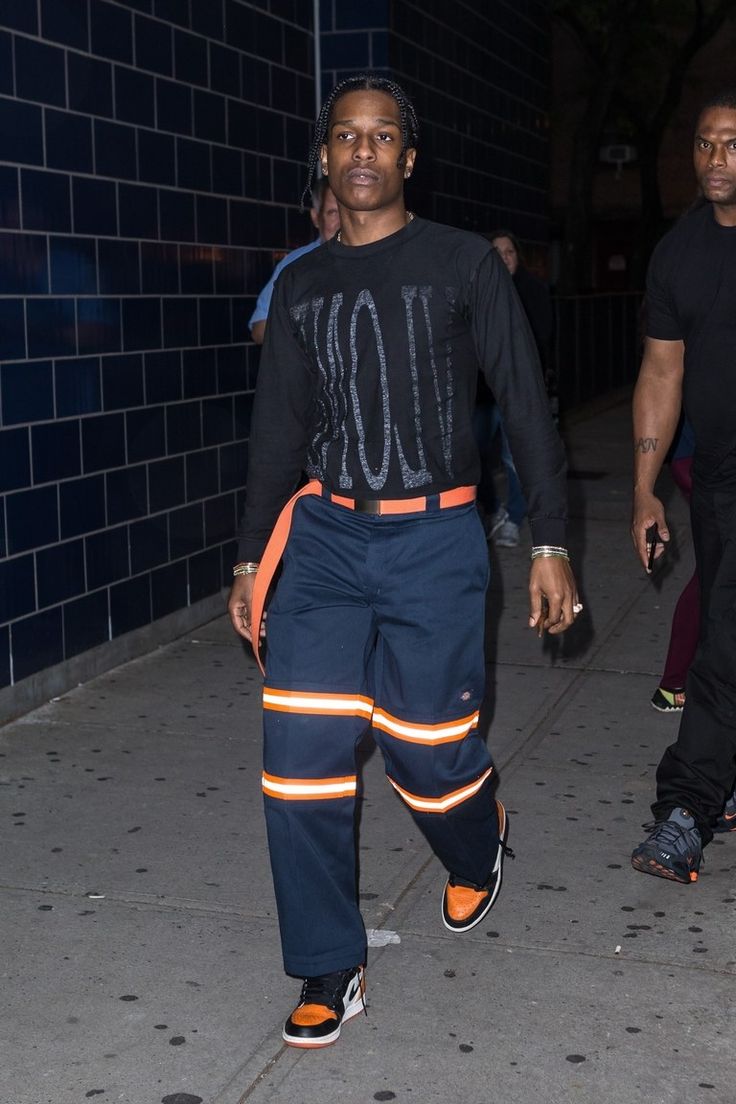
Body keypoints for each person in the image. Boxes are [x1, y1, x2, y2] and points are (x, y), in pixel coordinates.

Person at [228, 73, 580, 1049]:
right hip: (329, 544)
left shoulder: (463, 264)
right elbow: (277, 433)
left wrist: (547, 540)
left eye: (383, 137)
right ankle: (326, 966)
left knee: (427, 749)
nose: (364, 152)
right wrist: (250, 560)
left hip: (435, 540)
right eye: (347, 137)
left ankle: (478, 835)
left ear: (408, 158)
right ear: (327, 157)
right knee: (299, 765)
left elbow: (522, 401)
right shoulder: (302, 283)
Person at [630, 89, 736, 884]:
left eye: (732, 143)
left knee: (724, 637)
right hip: (721, 477)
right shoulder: (680, 253)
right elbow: (662, 373)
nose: (716, 159)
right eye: (704, 144)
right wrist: (644, 489)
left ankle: (688, 807)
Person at [475, 230, 554, 548]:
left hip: (517, 393)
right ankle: (493, 510)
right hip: (481, 392)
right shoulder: (476, 288)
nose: (504, 257)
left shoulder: (533, 291)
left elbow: (543, 338)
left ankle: (514, 516)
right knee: (475, 456)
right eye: (497, 251)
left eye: (510, 251)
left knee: (515, 458)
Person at [248, 178, 340, 344]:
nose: (342, 222)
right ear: (315, 217)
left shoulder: (374, 257)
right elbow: (259, 330)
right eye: (333, 213)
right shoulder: (295, 264)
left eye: (348, 212)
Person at [650, 415, 699, 713]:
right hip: (702, 459)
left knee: (717, 571)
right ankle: (674, 682)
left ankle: (676, 681)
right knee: (717, 572)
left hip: (705, 456)